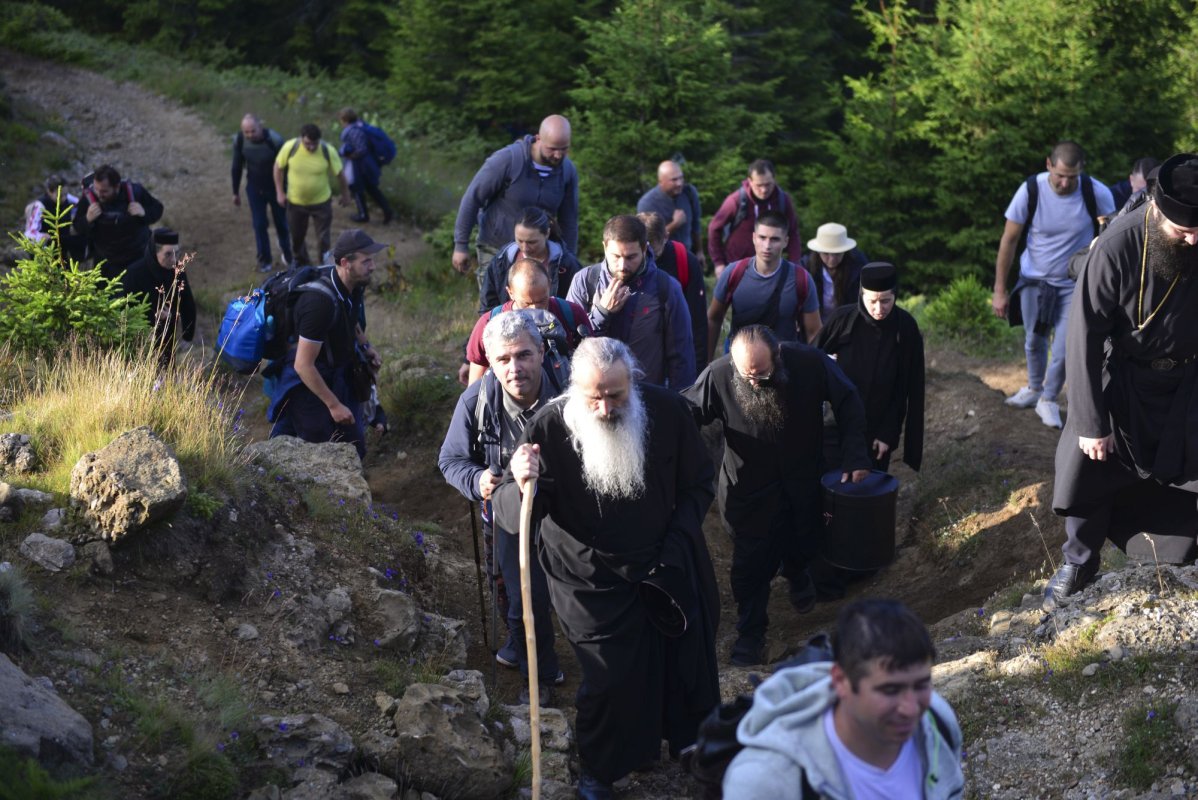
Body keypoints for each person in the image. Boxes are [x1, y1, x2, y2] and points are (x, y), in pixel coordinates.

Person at [495, 337, 721, 799]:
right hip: (588, 577)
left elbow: (699, 483)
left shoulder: (666, 411)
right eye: (593, 396)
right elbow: (507, 513)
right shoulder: (547, 428)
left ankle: (690, 748)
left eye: (615, 395)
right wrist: (519, 483)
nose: (604, 407)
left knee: (685, 657)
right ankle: (600, 769)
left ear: (632, 384)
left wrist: (677, 544)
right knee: (609, 675)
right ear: (574, 388)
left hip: (664, 559)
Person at [1047, 153, 1198, 609]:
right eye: (1184, 231)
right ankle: (1078, 561)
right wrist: (1090, 421)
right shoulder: (1117, 245)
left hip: (1188, 382)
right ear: (1156, 212)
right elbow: (1083, 337)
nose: (1194, 239)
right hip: (1127, 381)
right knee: (1088, 468)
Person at [683, 325, 870, 666]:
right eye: (747, 376)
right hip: (747, 490)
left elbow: (848, 400)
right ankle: (751, 633)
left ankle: (797, 572)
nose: (754, 382)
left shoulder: (810, 363)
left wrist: (856, 455)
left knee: (804, 538)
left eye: (763, 374)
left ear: (778, 356)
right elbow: (685, 414)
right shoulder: (720, 374)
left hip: (803, 478)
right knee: (750, 563)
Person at [722, 599, 964, 800]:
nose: (911, 709)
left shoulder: (936, 721)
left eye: (922, 685)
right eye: (890, 690)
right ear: (840, 681)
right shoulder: (764, 782)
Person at [438, 310, 564, 689]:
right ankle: (536, 681)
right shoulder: (477, 399)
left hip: (570, 509)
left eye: (524, 355)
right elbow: (449, 459)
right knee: (525, 596)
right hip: (509, 511)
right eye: (503, 360)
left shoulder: (573, 388)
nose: (515, 368)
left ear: (542, 352)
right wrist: (477, 480)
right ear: (489, 363)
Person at [992, 141, 1115, 429]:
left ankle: (1049, 398)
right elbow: (1008, 240)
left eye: (1071, 177)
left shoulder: (1095, 192)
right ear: (1049, 164)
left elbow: (1111, 237)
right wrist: (1000, 289)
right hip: (1035, 279)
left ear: (1081, 172)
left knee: (1064, 347)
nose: (1064, 182)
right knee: (1034, 340)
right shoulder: (1030, 190)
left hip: (1075, 283)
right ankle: (1034, 388)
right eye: (1059, 175)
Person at [267, 229, 384, 459]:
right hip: (306, 379)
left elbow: (349, 321)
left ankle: (271, 460)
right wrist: (333, 405)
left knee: (353, 446)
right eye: (366, 261)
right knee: (320, 450)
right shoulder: (318, 304)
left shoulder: (353, 286)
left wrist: (366, 347)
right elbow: (303, 365)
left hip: (335, 370)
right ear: (345, 263)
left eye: (372, 260)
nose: (373, 266)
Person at [814, 262, 925, 473]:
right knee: (829, 485)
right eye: (872, 301)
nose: (878, 309)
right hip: (834, 425)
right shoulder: (843, 320)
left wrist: (889, 434)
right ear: (861, 295)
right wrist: (825, 362)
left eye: (886, 301)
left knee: (867, 492)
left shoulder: (905, 328)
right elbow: (810, 360)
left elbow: (905, 388)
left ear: (895, 296)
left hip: (876, 428)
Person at [567, 214, 696, 388]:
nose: (622, 265)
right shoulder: (585, 281)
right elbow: (569, 346)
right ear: (605, 247)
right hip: (595, 397)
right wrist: (601, 313)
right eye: (616, 256)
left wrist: (681, 407)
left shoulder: (666, 287)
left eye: (630, 257)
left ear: (644, 249)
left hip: (647, 398)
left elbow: (681, 357)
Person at [452, 115, 578, 287]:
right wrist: (461, 245)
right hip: (496, 248)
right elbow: (473, 198)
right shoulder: (507, 160)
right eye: (552, 149)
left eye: (564, 149)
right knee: (495, 309)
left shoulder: (567, 171)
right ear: (539, 138)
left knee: (532, 308)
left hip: (538, 253)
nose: (558, 155)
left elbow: (569, 219)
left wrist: (569, 258)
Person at [706, 211, 821, 362]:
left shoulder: (801, 279)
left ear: (786, 241)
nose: (767, 246)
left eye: (774, 239)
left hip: (784, 365)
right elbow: (713, 319)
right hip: (737, 364)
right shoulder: (734, 273)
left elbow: (814, 332)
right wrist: (706, 364)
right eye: (762, 238)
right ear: (754, 238)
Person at [465, 257, 591, 383]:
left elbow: (592, 367)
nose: (535, 309)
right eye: (527, 304)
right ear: (510, 292)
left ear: (549, 285)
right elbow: (475, 386)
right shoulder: (489, 324)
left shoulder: (572, 314)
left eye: (542, 300)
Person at [478, 206, 583, 313]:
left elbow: (578, 307)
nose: (525, 248)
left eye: (531, 242)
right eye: (519, 240)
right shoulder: (501, 260)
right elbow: (488, 305)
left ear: (547, 233)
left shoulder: (567, 265)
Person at [273, 123, 351, 267]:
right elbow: (278, 168)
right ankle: (302, 263)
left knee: (323, 238)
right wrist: (279, 192)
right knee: (297, 236)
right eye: (308, 144)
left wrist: (345, 194)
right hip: (296, 203)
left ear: (319, 140)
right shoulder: (290, 147)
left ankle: (324, 265)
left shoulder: (327, 150)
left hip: (321, 203)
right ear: (301, 138)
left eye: (314, 144)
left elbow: (340, 174)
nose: (311, 147)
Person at [707, 159, 801, 278]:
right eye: (759, 185)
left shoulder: (782, 200)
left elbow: (792, 232)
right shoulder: (736, 200)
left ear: (774, 179)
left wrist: (795, 265)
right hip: (738, 269)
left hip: (771, 270)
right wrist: (719, 263)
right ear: (750, 181)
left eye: (768, 184)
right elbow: (714, 228)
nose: (764, 190)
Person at [640, 211, 709, 372]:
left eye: (653, 253)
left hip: (676, 346)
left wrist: (699, 371)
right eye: (643, 253)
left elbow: (698, 322)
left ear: (666, 237)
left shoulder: (685, 261)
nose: (648, 261)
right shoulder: (627, 261)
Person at [73, 164, 165, 280]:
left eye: (104, 191)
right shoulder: (88, 200)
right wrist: (87, 219)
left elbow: (158, 209)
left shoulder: (135, 192)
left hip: (139, 258)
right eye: (96, 189)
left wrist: (144, 213)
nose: (98, 194)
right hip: (107, 264)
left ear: (117, 187)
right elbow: (77, 227)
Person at [120, 228, 195, 365]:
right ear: (155, 252)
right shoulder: (134, 274)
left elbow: (187, 302)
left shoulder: (177, 271)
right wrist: (152, 317)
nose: (173, 260)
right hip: (139, 340)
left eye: (176, 253)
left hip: (167, 339)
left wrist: (187, 336)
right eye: (168, 254)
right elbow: (125, 310)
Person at [231, 113, 293, 272]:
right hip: (254, 188)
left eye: (253, 131)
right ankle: (264, 259)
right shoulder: (240, 140)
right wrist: (235, 192)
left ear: (261, 126)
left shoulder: (275, 140)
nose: (250, 135)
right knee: (259, 224)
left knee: (281, 223)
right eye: (246, 132)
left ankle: (287, 252)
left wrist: (288, 189)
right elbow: (237, 166)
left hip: (277, 188)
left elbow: (289, 167)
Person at [637, 159, 704, 262]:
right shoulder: (647, 203)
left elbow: (696, 225)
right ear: (661, 181)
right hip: (662, 261)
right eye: (674, 180)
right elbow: (648, 238)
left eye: (681, 178)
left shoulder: (689, 193)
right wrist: (675, 224)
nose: (679, 183)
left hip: (688, 257)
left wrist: (700, 252)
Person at [337, 107, 395, 225]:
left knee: (357, 187)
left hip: (361, 164)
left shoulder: (353, 131)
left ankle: (363, 215)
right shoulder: (361, 125)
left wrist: (351, 155)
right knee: (371, 188)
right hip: (368, 163)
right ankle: (387, 211)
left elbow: (361, 148)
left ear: (344, 119)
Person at [800, 223, 867, 322]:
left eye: (837, 254)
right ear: (818, 251)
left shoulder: (858, 267)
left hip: (848, 324)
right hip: (814, 324)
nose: (831, 259)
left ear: (845, 251)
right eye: (826, 254)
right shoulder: (806, 267)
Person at [23, 174, 86, 263]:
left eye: (65, 194)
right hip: (45, 251)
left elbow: (80, 206)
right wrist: (42, 236)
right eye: (60, 195)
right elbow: (29, 233)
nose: (63, 198)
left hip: (61, 247)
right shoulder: (40, 206)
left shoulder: (68, 199)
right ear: (49, 191)